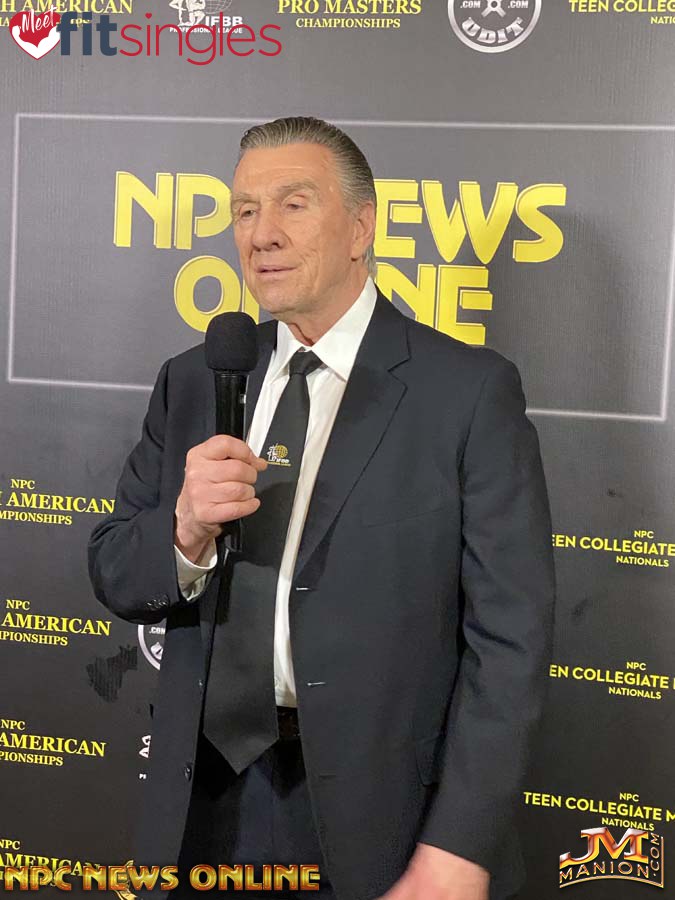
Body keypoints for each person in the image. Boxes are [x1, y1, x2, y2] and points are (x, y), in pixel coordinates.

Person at [88, 116, 555, 900]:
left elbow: (509, 641)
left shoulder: (466, 391)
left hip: (383, 817)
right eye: (244, 210)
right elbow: (114, 570)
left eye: (293, 205)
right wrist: (185, 530)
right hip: (203, 806)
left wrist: (457, 845)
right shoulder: (194, 380)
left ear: (360, 227)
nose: (261, 233)